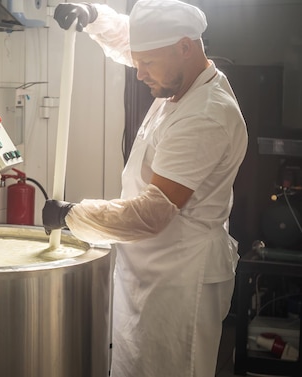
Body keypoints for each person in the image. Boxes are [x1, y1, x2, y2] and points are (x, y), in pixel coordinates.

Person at [44, 1, 248, 377]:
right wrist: (93, 16)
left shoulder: (205, 115)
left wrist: (72, 214)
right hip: (154, 268)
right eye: (138, 62)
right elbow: (134, 42)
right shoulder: (179, 74)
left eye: (147, 65)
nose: (139, 74)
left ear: (185, 47)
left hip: (181, 279)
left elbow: (151, 214)